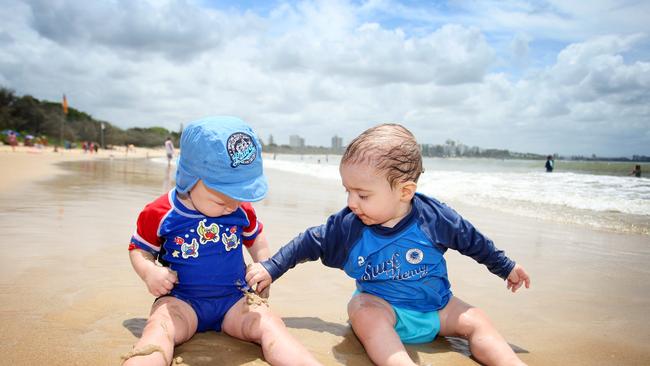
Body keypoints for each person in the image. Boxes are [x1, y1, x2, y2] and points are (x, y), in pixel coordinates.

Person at [246, 124, 531, 366]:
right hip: (382, 307)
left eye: (362, 195)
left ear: (405, 192)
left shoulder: (435, 218)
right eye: (348, 191)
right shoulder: (349, 226)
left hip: (438, 308)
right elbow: (309, 242)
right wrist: (272, 267)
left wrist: (505, 267)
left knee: (477, 319)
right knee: (363, 312)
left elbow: (473, 241)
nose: (351, 203)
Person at [124, 116, 320, 366]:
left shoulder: (239, 209)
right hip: (181, 301)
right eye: (222, 199)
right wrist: (149, 272)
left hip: (235, 300)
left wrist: (264, 266)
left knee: (271, 325)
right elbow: (139, 249)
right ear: (189, 179)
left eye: (240, 196)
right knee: (159, 329)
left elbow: (255, 237)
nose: (233, 206)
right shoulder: (162, 212)